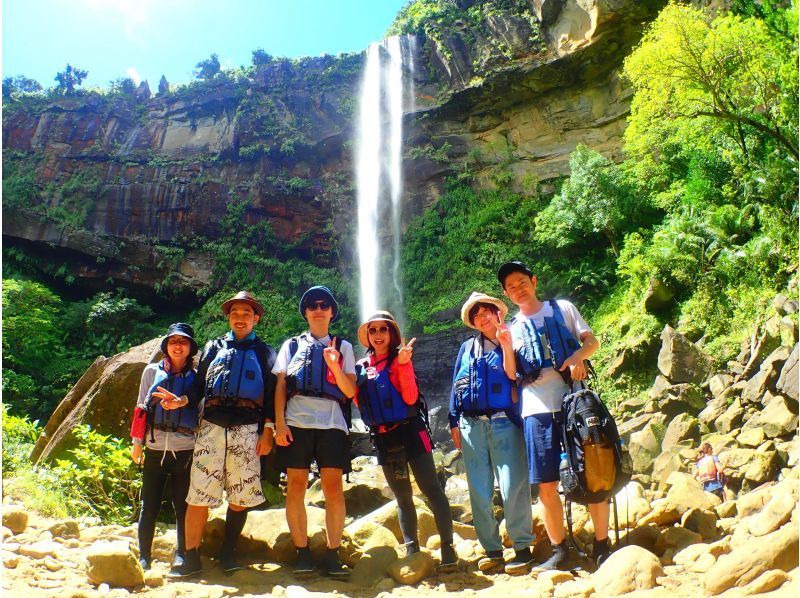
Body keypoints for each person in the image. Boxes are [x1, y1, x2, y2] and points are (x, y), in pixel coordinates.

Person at [154, 291, 277, 578]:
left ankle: (227, 552)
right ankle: (189, 555)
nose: (240, 317)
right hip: (211, 425)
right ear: (229, 317)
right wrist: (182, 400)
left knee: (240, 493)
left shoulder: (264, 352)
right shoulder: (213, 347)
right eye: (235, 312)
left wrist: (268, 430)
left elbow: (271, 395)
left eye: (246, 313)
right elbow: (198, 387)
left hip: (247, 427)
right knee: (198, 492)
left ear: (256, 318)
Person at [498, 261, 610, 568]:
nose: (518, 289)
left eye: (522, 282)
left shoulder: (562, 308)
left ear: (533, 281)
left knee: (594, 471)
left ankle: (602, 545)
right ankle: (560, 551)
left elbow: (592, 342)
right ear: (507, 294)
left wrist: (577, 358)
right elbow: (511, 373)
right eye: (511, 287)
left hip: (576, 403)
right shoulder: (512, 327)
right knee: (546, 484)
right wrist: (506, 345)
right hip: (536, 409)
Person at [355, 310, 458, 572]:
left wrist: (403, 364)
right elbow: (359, 400)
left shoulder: (401, 359)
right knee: (402, 496)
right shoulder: (360, 368)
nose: (378, 334)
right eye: (373, 330)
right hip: (383, 436)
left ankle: (448, 548)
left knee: (431, 489)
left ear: (392, 333)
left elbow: (411, 398)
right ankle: (412, 550)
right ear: (367, 335)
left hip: (411, 430)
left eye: (383, 329)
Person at [273, 286, 357, 580]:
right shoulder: (291, 345)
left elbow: (349, 392)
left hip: (332, 422)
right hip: (296, 421)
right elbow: (281, 387)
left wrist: (334, 365)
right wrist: (279, 424)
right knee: (295, 485)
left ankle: (333, 553)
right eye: (312, 305)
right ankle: (302, 553)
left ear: (332, 312)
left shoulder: (344, 347)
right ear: (306, 312)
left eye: (324, 305)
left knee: (333, 488)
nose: (318, 309)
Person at [448, 293, 534, 575]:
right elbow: (456, 385)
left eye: (488, 311)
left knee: (513, 486)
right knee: (479, 490)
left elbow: (518, 375)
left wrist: (506, 343)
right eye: (477, 314)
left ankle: (522, 547)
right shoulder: (467, 348)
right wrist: (453, 421)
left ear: (498, 312)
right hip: (472, 426)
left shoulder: (515, 337)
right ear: (472, 321)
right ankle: (492, 550)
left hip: (504, 422)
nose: (483, 317)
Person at [130, 323, 199, 573]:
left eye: (183, 342)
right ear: (166, 347)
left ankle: (182, 554)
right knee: (150, 504)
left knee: (182, 505)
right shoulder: (151, 372)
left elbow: (201, 414)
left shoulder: (196, 380)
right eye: (173, 341)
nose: (178, 346)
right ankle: (144, 555)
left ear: (190, 347)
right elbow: (141, 408)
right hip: (155, 447)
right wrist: (137, 444)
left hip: (185, 449)